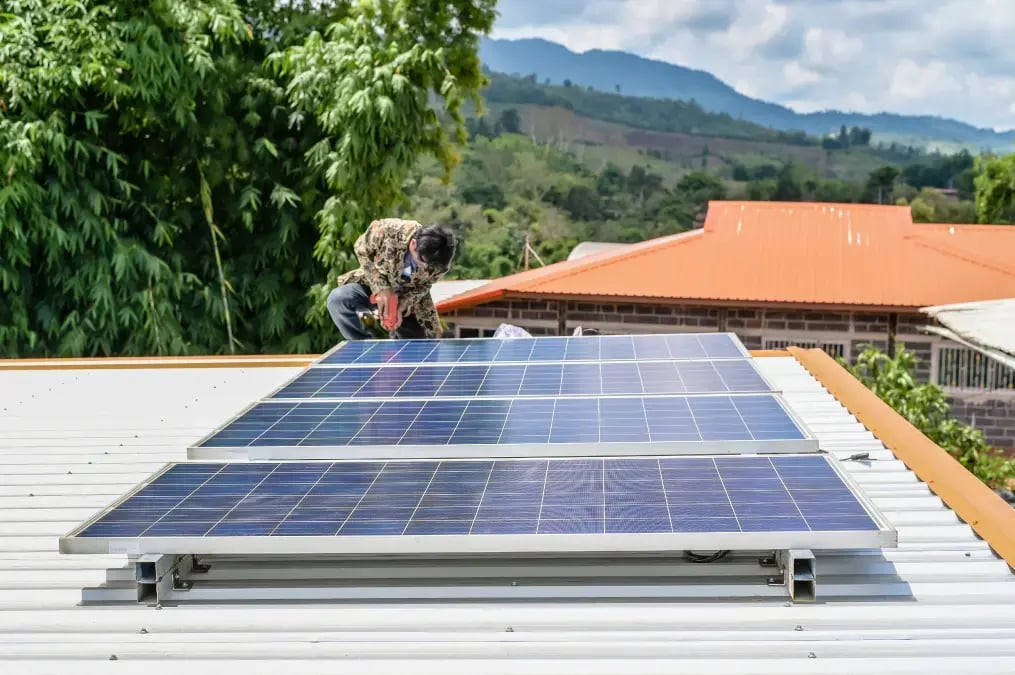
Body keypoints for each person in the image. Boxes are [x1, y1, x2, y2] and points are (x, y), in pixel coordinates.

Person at [326, 218, 456, 340]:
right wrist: (382, 287)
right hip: (372, 286)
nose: (426, 267)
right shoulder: (387, 230)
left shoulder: (439, 264)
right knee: (339, 298)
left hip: (408, 301)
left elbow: (424, 286)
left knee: (420, 350)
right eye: (422, 261)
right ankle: (361, 347)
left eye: (431, 266)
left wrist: (401, 306)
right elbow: (361, 250)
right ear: (413, 244)